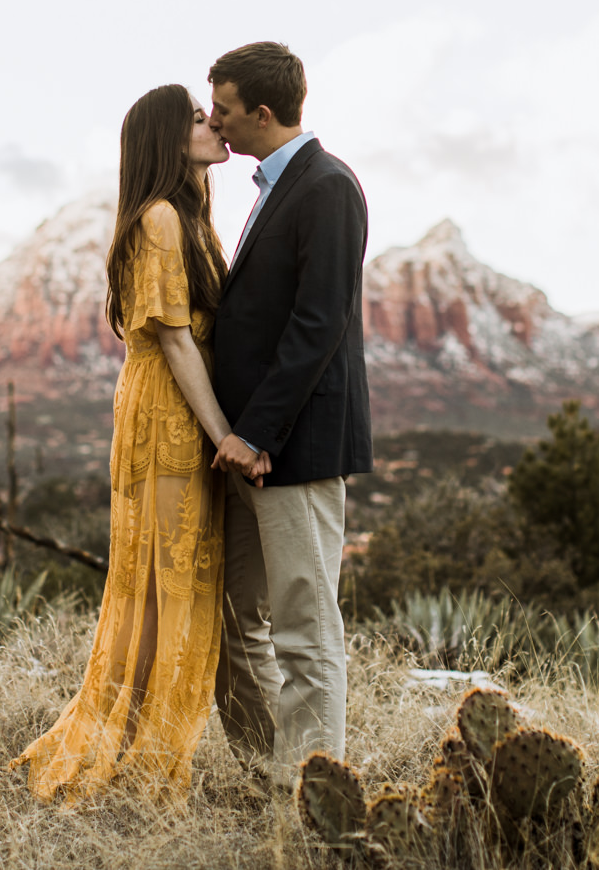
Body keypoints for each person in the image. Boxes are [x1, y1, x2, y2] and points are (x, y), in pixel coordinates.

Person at [11, 83, 265, 802]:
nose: (212, 123)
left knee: (176, 582)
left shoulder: (186, 218)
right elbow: (179, 342)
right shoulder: (159, 220)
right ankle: (137, 756)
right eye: (194, 117)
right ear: (165, 138)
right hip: (169, 416)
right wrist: (227, 438)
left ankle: (144, 747)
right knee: (162, 585)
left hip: (181, 410)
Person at [206, 41, 372, 788]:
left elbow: (318, 324)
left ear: (262, 112)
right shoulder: (277, 187)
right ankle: (268, 766)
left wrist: (254, 431)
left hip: (292, 448)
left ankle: (310, 791)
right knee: (235, 617)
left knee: (306, 628)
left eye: (225, 108)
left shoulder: (327, 187)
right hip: (247, 451)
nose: (217, 121)